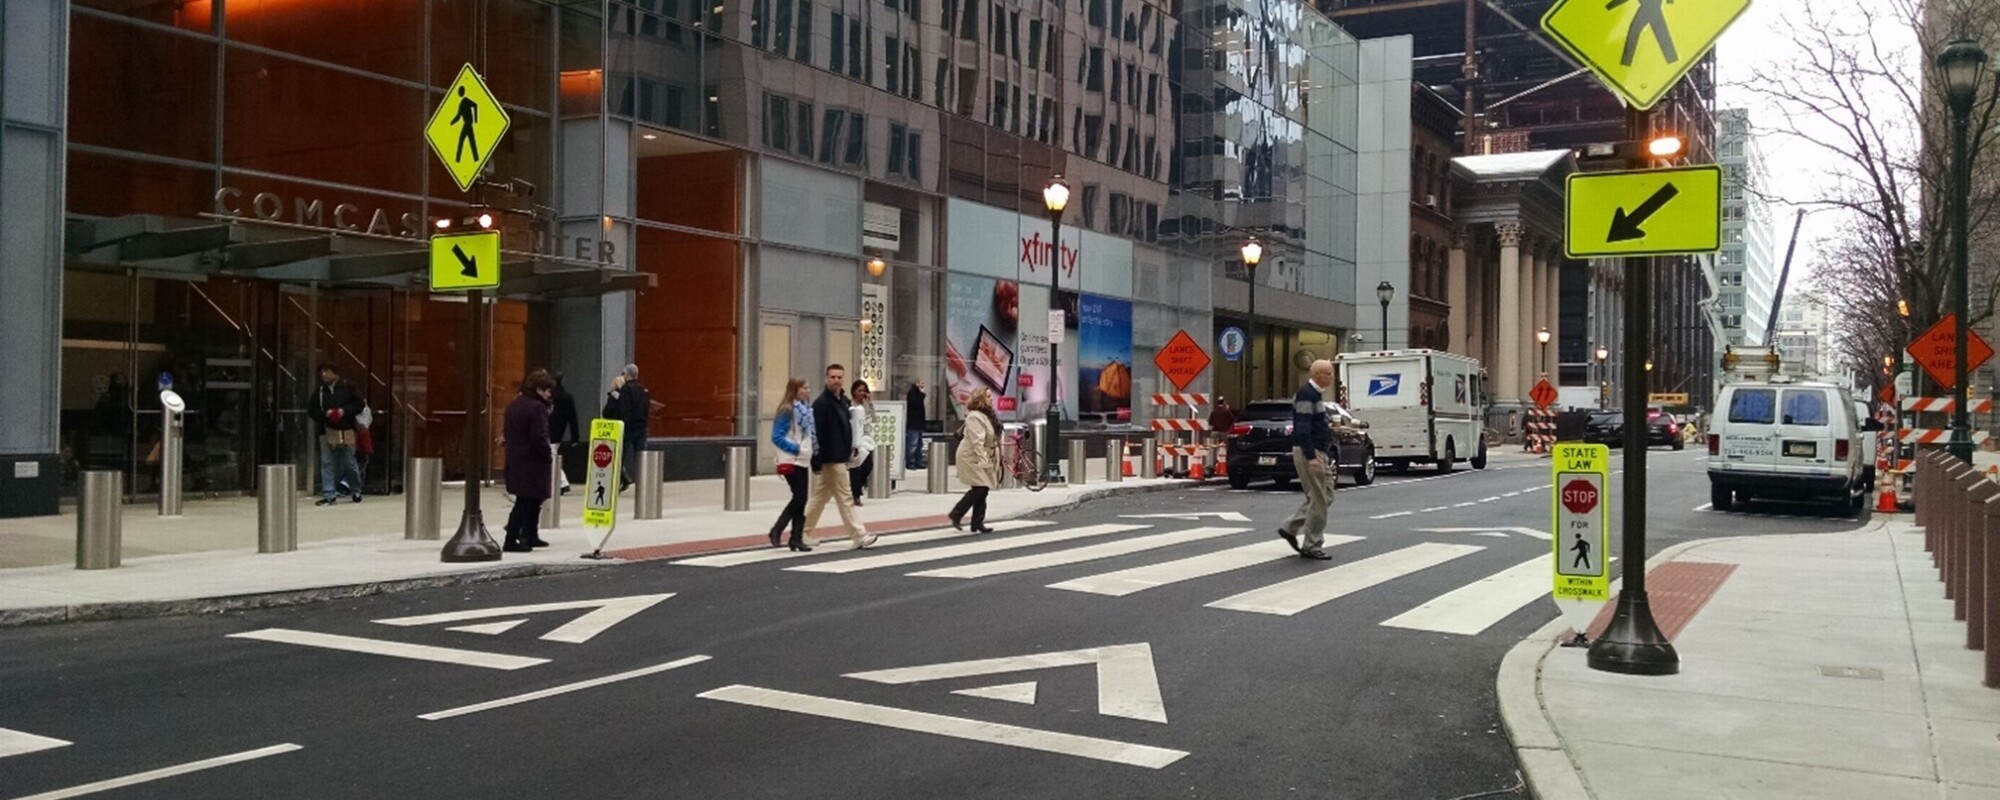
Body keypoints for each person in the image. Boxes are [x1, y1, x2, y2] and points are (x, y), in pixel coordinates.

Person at [803, 363, 877, 549]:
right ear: (827, 378)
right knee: (845, 497)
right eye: (833, 377)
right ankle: (858, 534)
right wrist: (817, 461)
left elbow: (849, 427)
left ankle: (801, 532)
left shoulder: (842, 401)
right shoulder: (822, 404)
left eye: (839, 377)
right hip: (831, 457)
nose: (836, 380)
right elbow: (816, 434)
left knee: (820, 497)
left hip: (839, 456)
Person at [1276, 359, 1337, 560]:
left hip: (1318, 451)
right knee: (1319, 499)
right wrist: (1311, 457)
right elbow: (1302, 427)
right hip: (1309, 452)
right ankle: (1312, 544)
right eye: (1328, 373)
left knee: (1325, 496)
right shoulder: (1306, 395)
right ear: (1317, 374)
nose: (1332, 376)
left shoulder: (1315, 396)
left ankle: (1290, 527)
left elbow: (1314, 424)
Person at [503, 370, 556, 552]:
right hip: (533, 461)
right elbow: (539, 436)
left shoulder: (514, 405)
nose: (549, 394)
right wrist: (547, 454)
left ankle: (530, 535)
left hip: (516, 459)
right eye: (548, 391)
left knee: (530, 500)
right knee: (526, 501)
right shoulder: (537, 408)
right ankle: (513, 538)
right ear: (539, 390)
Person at [305, 363, 365, 506]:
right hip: (326, 430)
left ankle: (356, 489)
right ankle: (329, 494)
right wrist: (325, 414)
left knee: (349, 462)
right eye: (322, 372)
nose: (324, 375)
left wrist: (344, 411)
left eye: (327, 372)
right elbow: (311, 410)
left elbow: (359, 404)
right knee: (327, 462)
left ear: (336, 373)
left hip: (346, 429)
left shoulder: (348, 387)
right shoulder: (319, 391)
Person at [767, 378, 815, 551]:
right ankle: (778, 529)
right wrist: (795, 449)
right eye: (804, 388)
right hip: (792, 458)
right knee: (800, 496)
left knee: (802, 498)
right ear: (795, 389)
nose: (808, 391)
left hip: (803, 459)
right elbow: (776, 436)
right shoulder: (787, 410)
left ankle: (796, 537)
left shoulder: (806, 410)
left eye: (808, 388)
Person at [948, 388, 1000, 533]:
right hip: (971, 456)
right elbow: (977, 441)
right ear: (980, 400)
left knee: (983, 488)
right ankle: (957, 514)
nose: (992, 399)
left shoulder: (986, 415)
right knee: (980, 487)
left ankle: (977, 522)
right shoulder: (975, 417)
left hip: (980, 455)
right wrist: (984, 460)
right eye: (988, 396)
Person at [604, 364, 650, 490]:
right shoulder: (644, 390)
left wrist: (622, 426)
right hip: (642, 427)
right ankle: (643, 483)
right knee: (641, 457)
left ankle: (621, 479)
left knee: (620, 457)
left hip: (628, 429)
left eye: (623, 374)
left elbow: (624, 411)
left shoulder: (626, 390)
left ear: (627, 375)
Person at [848, 380, 879, 506]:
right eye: (859, 391)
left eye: (864, 391)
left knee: (868, 465)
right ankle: (856, 495)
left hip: (866, 439)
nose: (861, 393)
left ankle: (857, 488)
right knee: (854, 468)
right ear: (854, 391)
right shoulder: (850, 406)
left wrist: (870, 404)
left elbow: (874, 419)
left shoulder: (866, 405)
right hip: (854, 438)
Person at [550, 371, 580, 495]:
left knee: (551, 456)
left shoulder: (549, 397)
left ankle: (562, 482)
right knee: (552, 454)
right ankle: (561, 482)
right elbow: (573, 418)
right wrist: (575, 437)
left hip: (549, 430)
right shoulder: (567, 397)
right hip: (558, 431)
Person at [906, 378, 929, 470]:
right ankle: (910, 462)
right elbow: (916, 404)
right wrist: (921, 393)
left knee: (919, 444)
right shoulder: (912, 393)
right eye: (921, 383)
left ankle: (918, 462)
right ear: (916, 383)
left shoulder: (916, 393)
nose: (923, 385)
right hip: (913, 423)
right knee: (912, 444)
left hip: (918, 423)